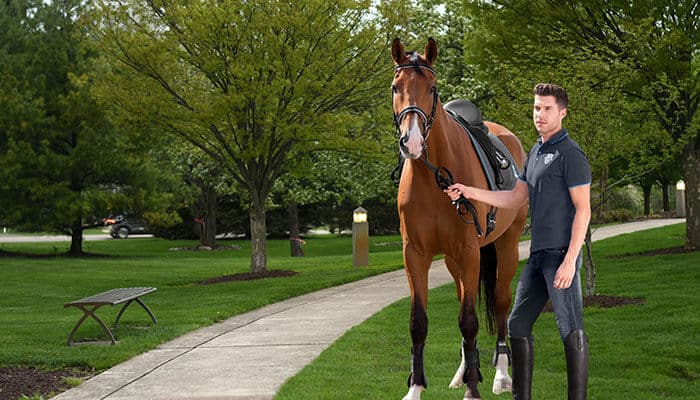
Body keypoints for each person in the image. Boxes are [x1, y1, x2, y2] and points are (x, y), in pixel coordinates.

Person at [445, 83, 591, 400]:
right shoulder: (537, 152)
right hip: (538, 257)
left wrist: (570, 260)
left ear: (562, 112)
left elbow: (584, 210)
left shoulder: (571, 155)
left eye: (547, 108)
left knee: (570, 329)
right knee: (517, 324)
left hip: (561, 256)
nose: (540, 114)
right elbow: (514, 197)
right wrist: (470, 191)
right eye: (537, 107)